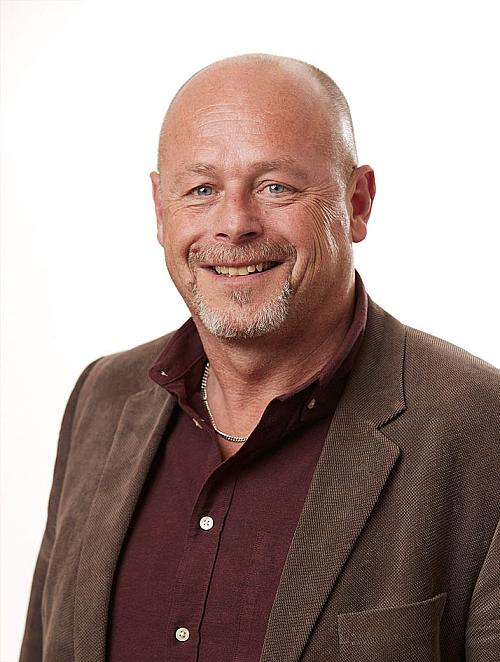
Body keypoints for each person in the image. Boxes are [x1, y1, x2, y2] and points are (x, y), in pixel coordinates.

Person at [20, 54, 499, 662]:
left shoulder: (481, 430)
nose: (235, 224)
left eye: (276, 187)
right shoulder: (102, 398)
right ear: (161, 210)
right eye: (201, 189)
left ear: (357, 203)